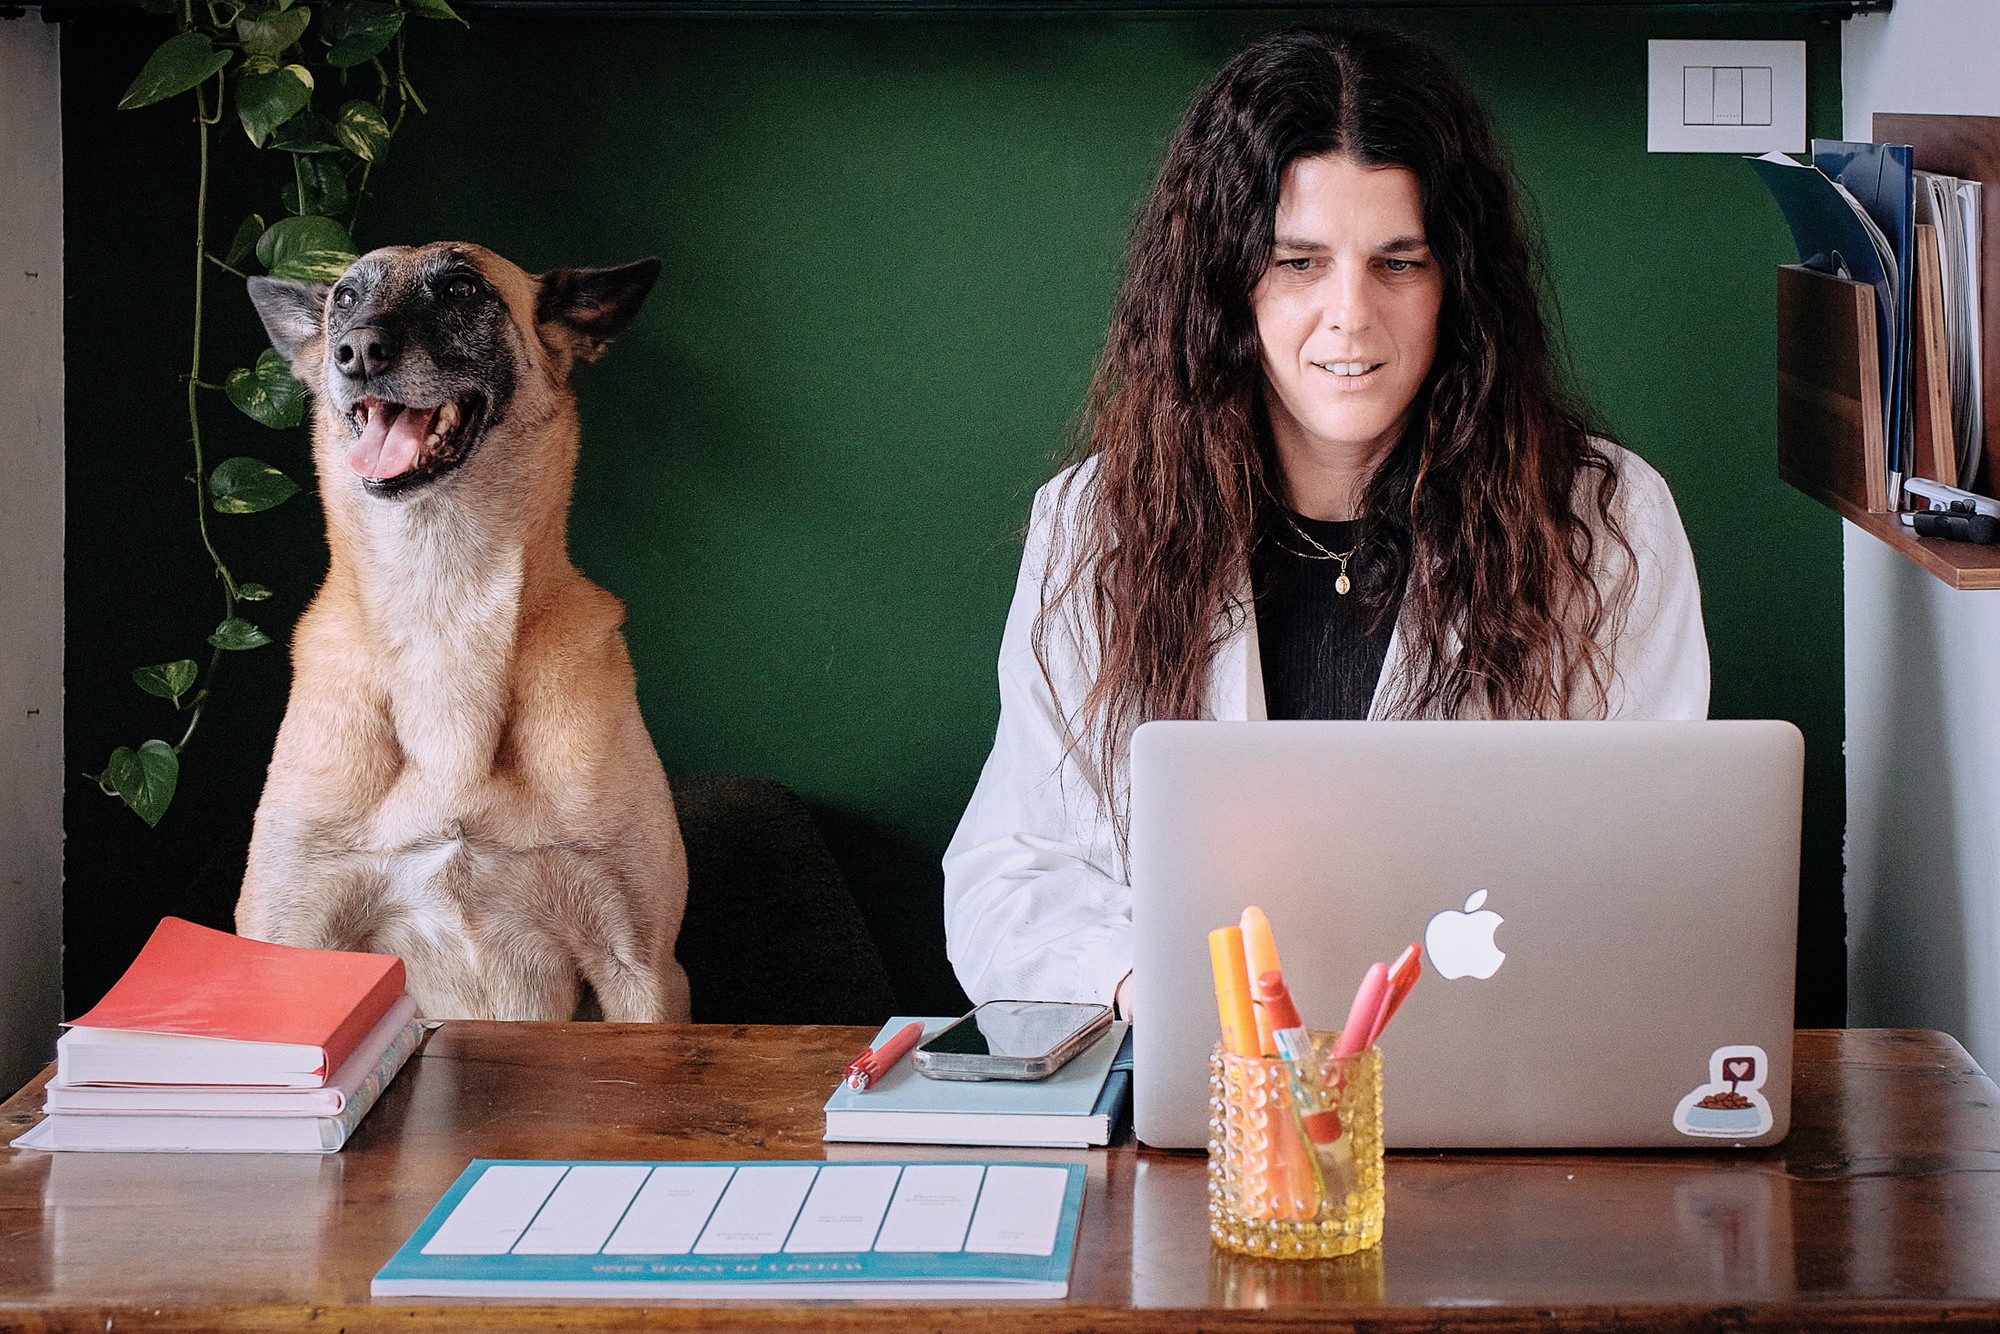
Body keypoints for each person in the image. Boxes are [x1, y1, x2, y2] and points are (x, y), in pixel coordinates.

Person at [942, 23, 1709, 1018]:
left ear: (1459, 289)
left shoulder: (1601, 520)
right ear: (1226, 284)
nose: (1349, 315)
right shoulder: (1096, 524)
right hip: (1209, 1082)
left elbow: (1658, 875)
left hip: (1511, 1074)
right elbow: (1011, 877)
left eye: (1398, 262)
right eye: (1298, 262)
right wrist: (1146, 984)